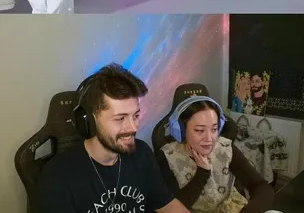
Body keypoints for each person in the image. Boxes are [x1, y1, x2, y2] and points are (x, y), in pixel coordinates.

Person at [36, 64, 190, 213]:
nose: (133, 127)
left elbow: (167, 205)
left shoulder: (142, 153)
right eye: (120, 119)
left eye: (135, 116)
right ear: (90, 122)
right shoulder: (57, 175)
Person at [156, 96, 273, 213]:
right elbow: (173, 207)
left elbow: (262, 187)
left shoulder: (224, 148)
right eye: (200, 130)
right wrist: (202, 172)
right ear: (181, 130)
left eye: (214, 129)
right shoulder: (168, 157)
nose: (209, 139)